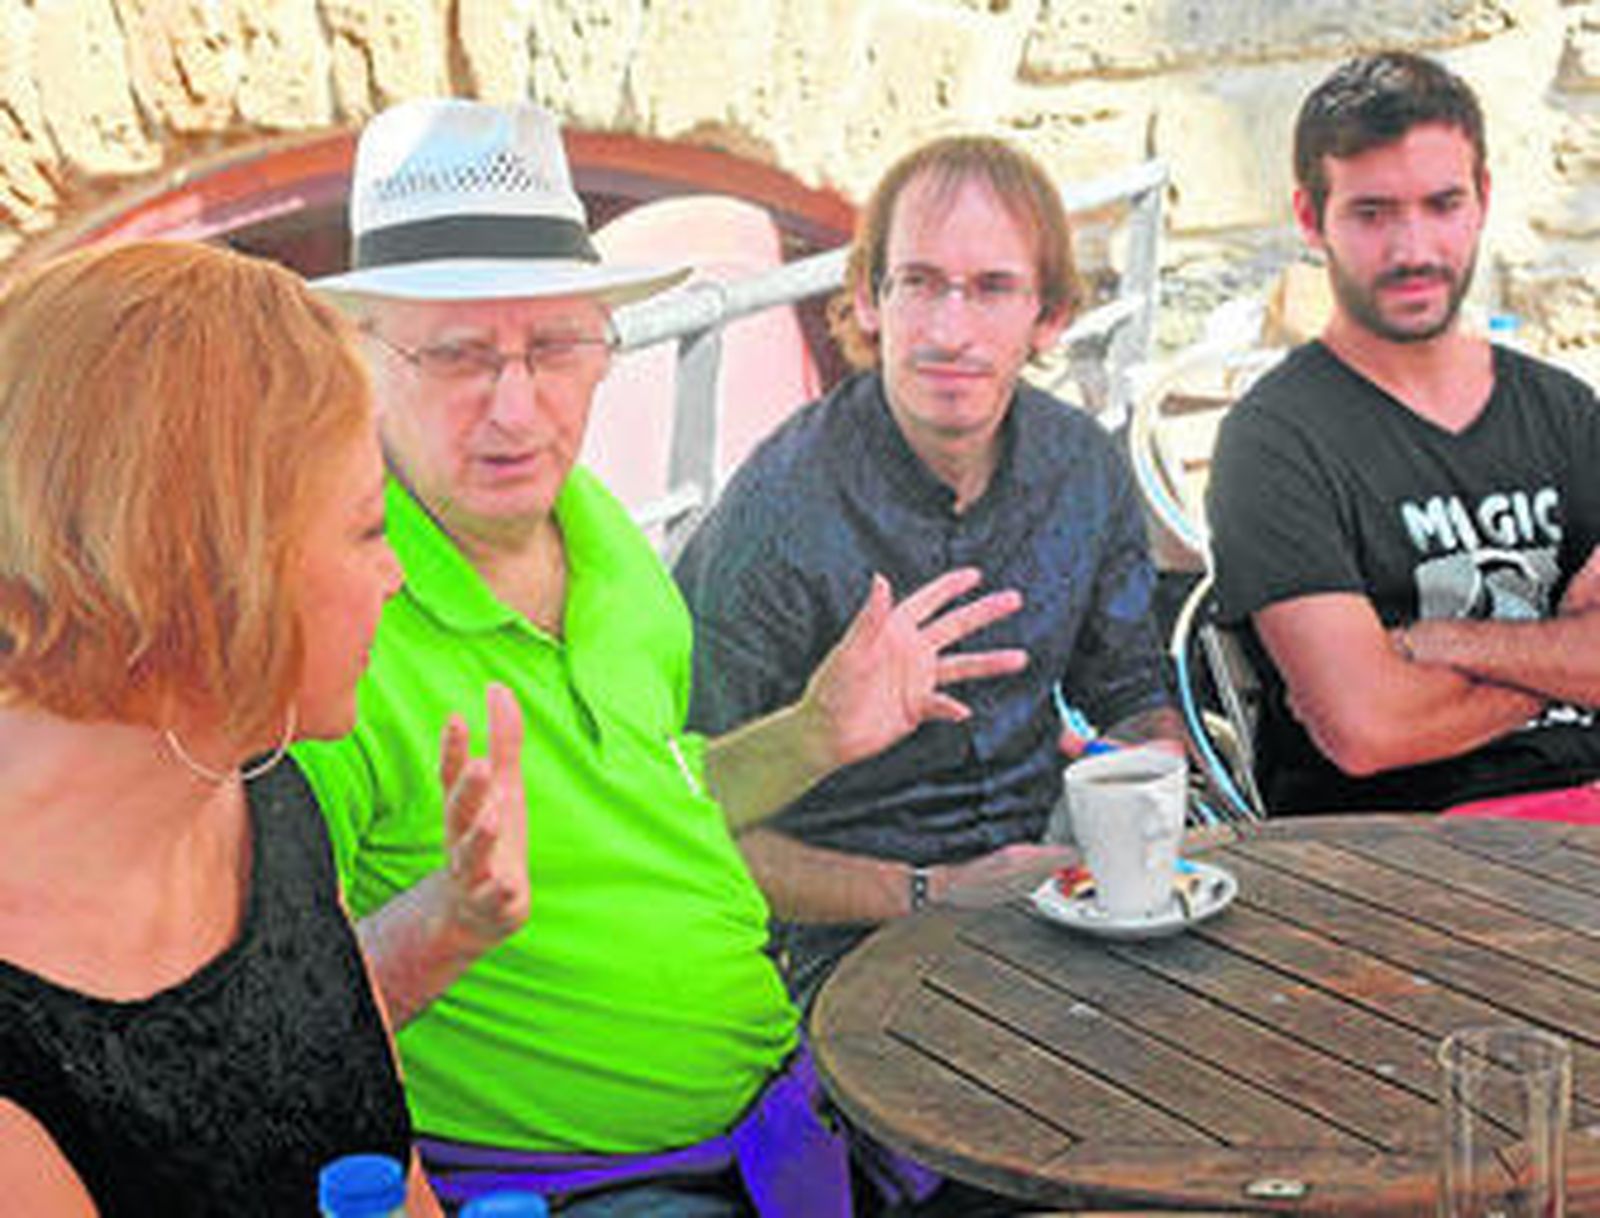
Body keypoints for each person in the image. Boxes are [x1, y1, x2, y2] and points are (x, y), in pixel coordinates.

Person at [292, 98, 1027, 1215]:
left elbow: (664, 793)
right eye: (456, 355)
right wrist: (446, 915)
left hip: (785, 1119)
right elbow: (277, 1021)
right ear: (362, 360)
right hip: (582, 1185)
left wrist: (814, 733)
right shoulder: (328, 629)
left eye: (556, 345)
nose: (515, 404)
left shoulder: (600, 533)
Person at [673, 134, 1183, 1004]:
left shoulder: (1081, 465)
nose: (950, 331)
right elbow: (691, 822)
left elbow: (1129, 688)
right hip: (843, 948)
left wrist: (1150, 799)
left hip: (1052, 898)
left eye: (992, 289)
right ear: (870, 300)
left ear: (1051, 315)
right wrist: (931, 895)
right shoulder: (778, 510)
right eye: (919, 283)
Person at [0, 241, 450, 1215]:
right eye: (371, 528)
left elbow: (390, 1171)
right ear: (213, 580)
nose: (397, 575)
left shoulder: (267, 797)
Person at [1206, 51, 1600, 815]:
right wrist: (1562, 652)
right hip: (1407, 864)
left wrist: (1441, 642)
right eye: (1372, 213)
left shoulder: (1566, 413)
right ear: (1310, 217)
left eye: (1442, 204)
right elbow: (1368, 729)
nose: (1413, 250)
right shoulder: (1272, 443)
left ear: (1483, 198)